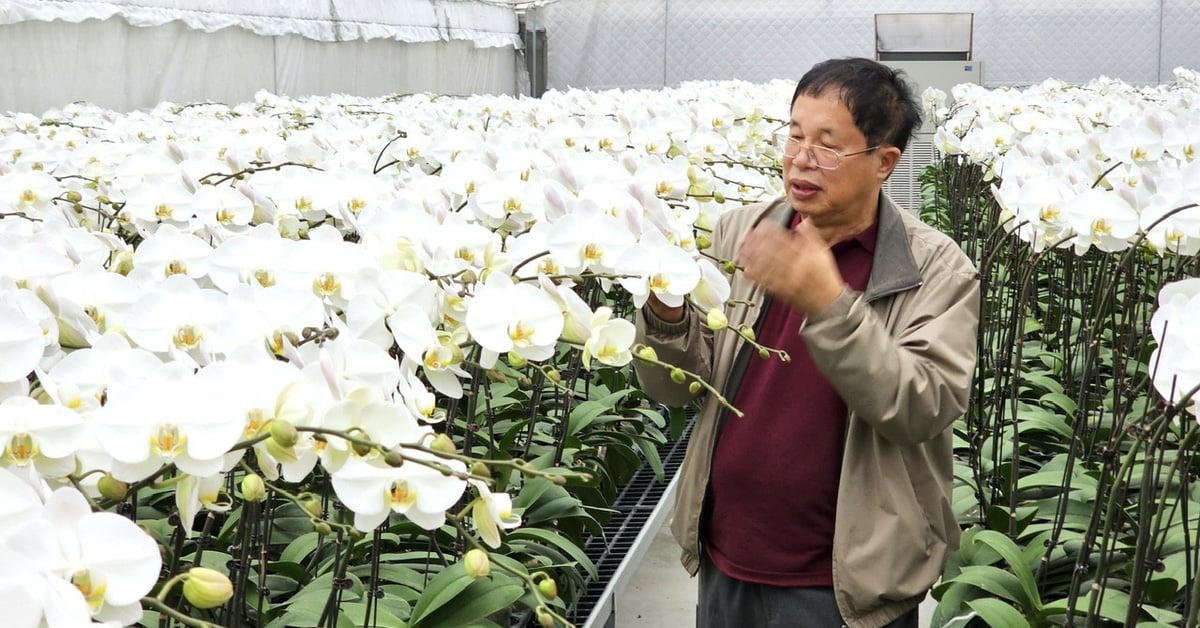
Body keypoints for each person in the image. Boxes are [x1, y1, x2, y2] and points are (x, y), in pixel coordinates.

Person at [633, 57, 980, 628]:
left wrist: (829, 304)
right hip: (728, 556)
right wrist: (666, 314)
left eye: (827, 144)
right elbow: (677, 388)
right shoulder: (740, 232)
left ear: (884, 162)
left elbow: (923, 405)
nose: (801, 158)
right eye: (794, 134)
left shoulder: (935, 268)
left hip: (844, 583)